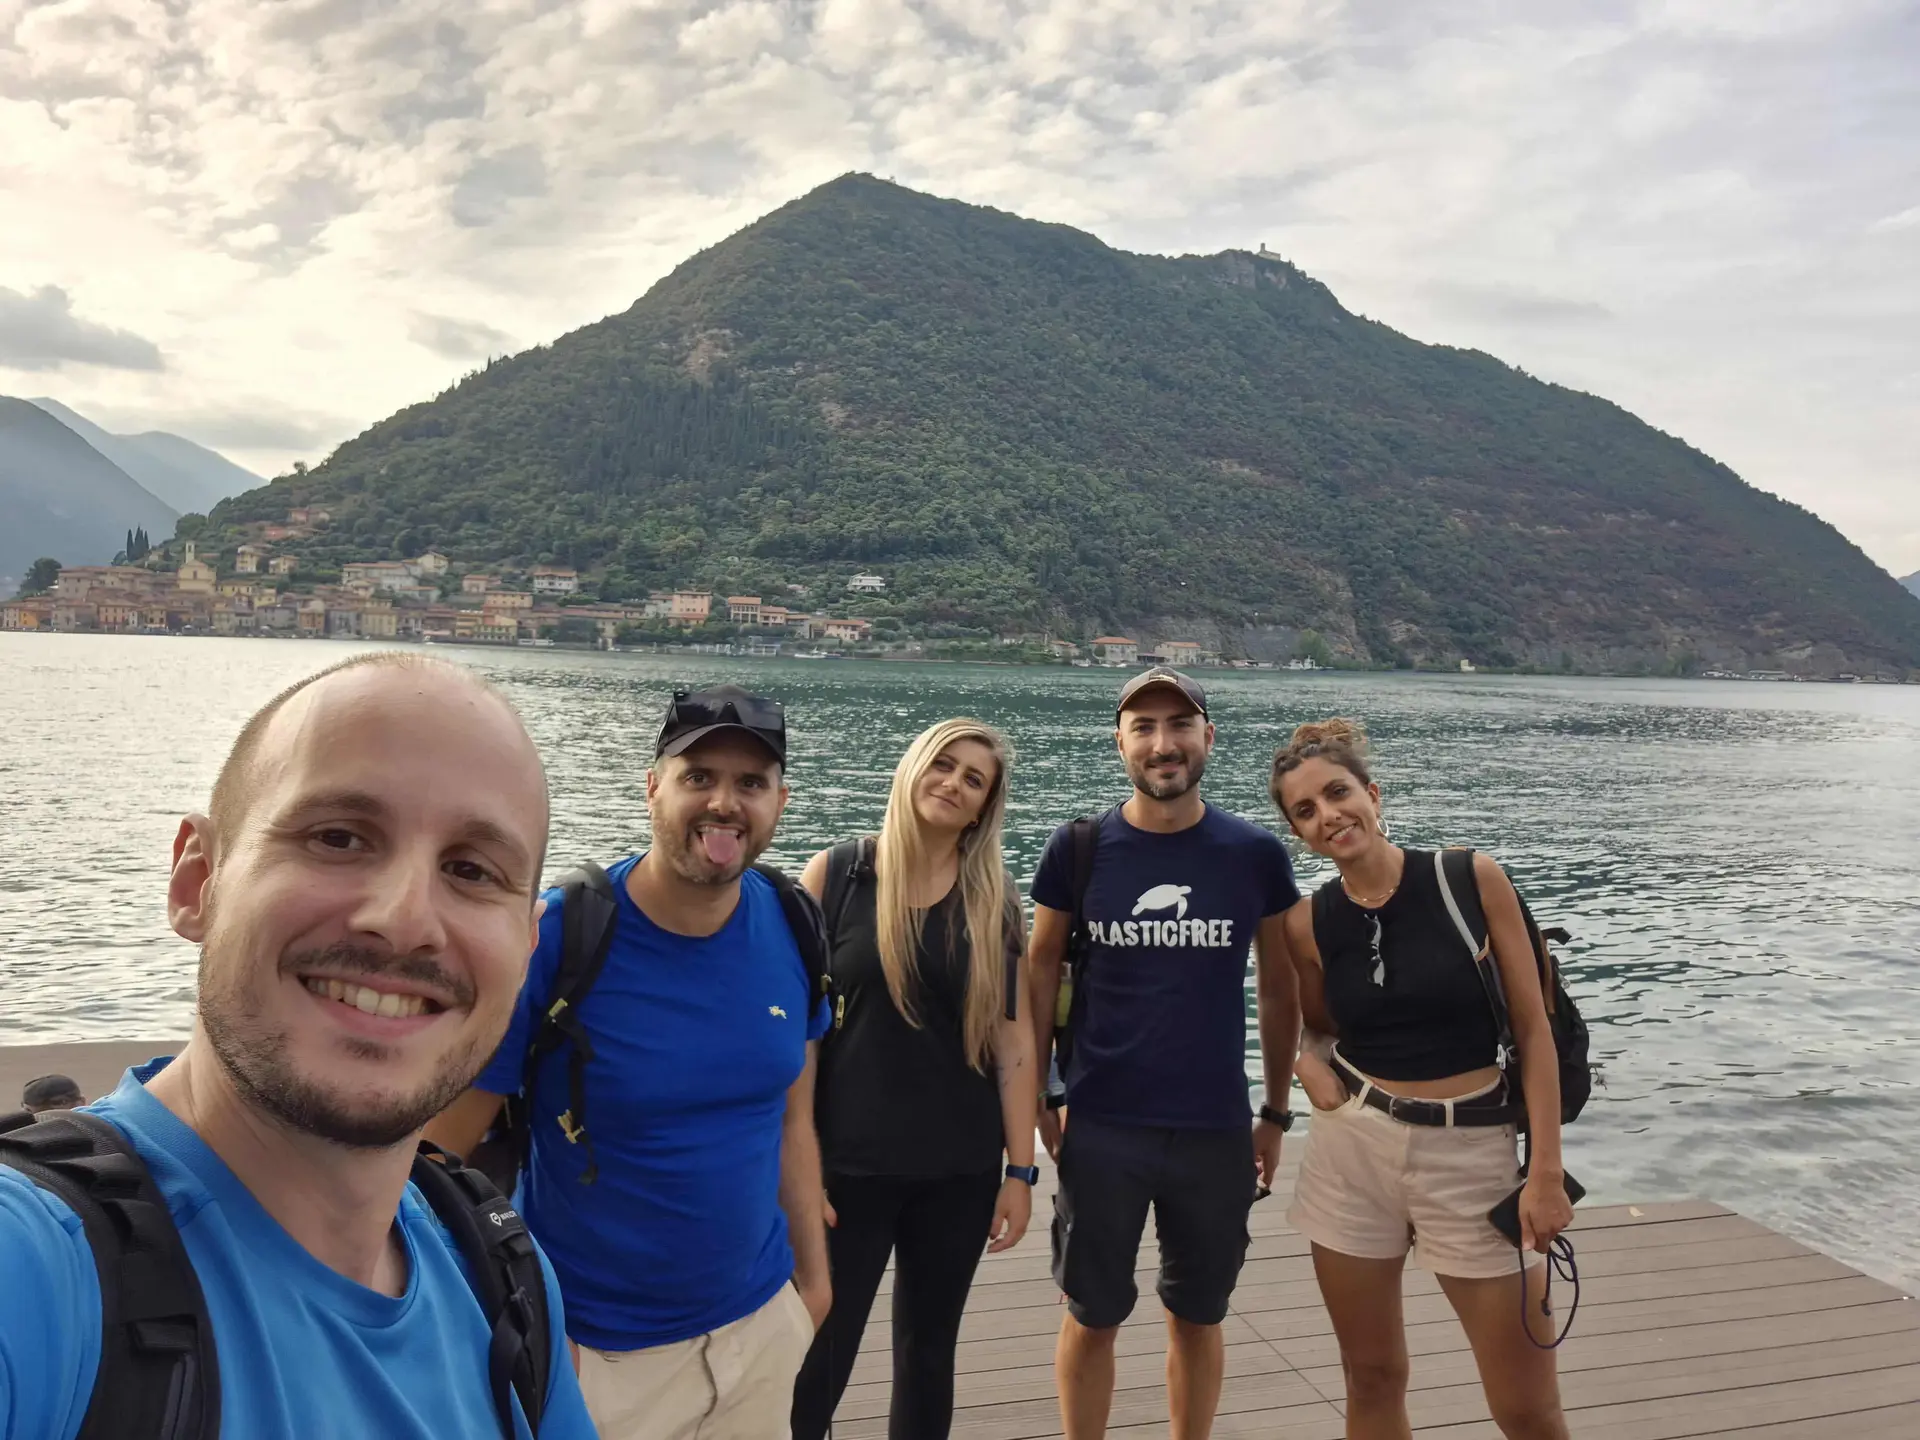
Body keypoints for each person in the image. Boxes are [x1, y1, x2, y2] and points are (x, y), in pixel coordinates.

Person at [0, 652, 597, 1439]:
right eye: (339, 838)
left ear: (525, 948)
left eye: (470, 870)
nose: (405, 920)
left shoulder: (504, 1275)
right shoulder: (36, 1268)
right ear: (197, 881)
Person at [429, 682, 833, 1440]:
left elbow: (792, 1121)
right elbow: (437, 1158)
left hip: (759, 1334)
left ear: (780, 802)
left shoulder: (793, 924)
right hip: (597, 1357)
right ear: (653, 787)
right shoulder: (559, 937)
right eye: (698, 776)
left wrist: (813, 1286)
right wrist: (518, 1334)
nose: (724, 803)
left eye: (750, 783)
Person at [1271, 718, 1573, 1440]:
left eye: (1337, 793)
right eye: (1306, 811)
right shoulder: (1308, 923)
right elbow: (1315, 1025)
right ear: (1299, 835)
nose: (1328, 815)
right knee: (1371, 1377)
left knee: (1527, 1409)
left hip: (1473, 1153)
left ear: (1373, 795)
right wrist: (1306, 1064)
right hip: (1352, 1153)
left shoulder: (1469, 879)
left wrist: (1545, 1173)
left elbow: (1534, 1032)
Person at [1027, 667, 1302, 1440]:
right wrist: (1045, 1094)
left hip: (1213, 1130)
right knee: (1092, 1314)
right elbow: (1039, 971)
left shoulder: (1253, 854)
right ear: (1119, 743)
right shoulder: (1078, 849)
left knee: (1198, 1315)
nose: (1162, 743)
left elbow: (1279, 987)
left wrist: (1275, 1112)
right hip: (1101, 1126)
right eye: (1143, 727)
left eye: (1179, 724)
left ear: (1207, 737)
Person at [790, 719, 1040, 1440]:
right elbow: (797, 1036)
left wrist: (1020, 1171)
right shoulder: (837, 876)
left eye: (974, 780)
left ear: (984, 807)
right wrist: (798, 1164)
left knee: (929, 1354)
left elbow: (1013, 1041)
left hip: (957, 1172)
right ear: (914, 768)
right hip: (846, 1171)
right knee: (817, 1352)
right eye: (944, 764)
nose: (953, 784)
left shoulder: (994, 900)